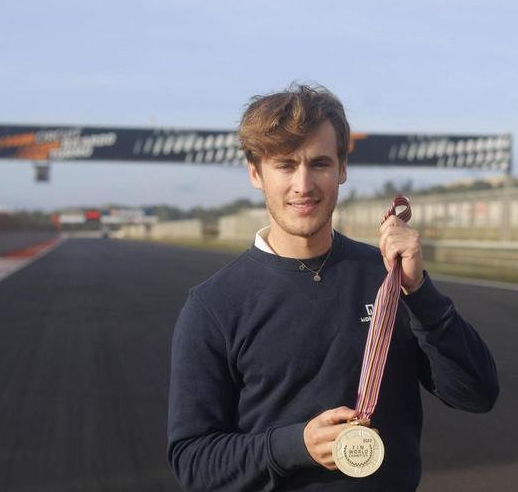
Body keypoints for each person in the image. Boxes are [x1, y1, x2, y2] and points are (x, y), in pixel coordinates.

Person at [167, 83, 499, 491]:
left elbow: (477, 394)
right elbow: (193, 462)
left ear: (342, 168)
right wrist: (294, 445)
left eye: (319, 164)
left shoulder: (389, 277)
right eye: (285, 165)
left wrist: (421, 293)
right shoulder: (214, 305)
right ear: (256, 173)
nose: (304, 185)